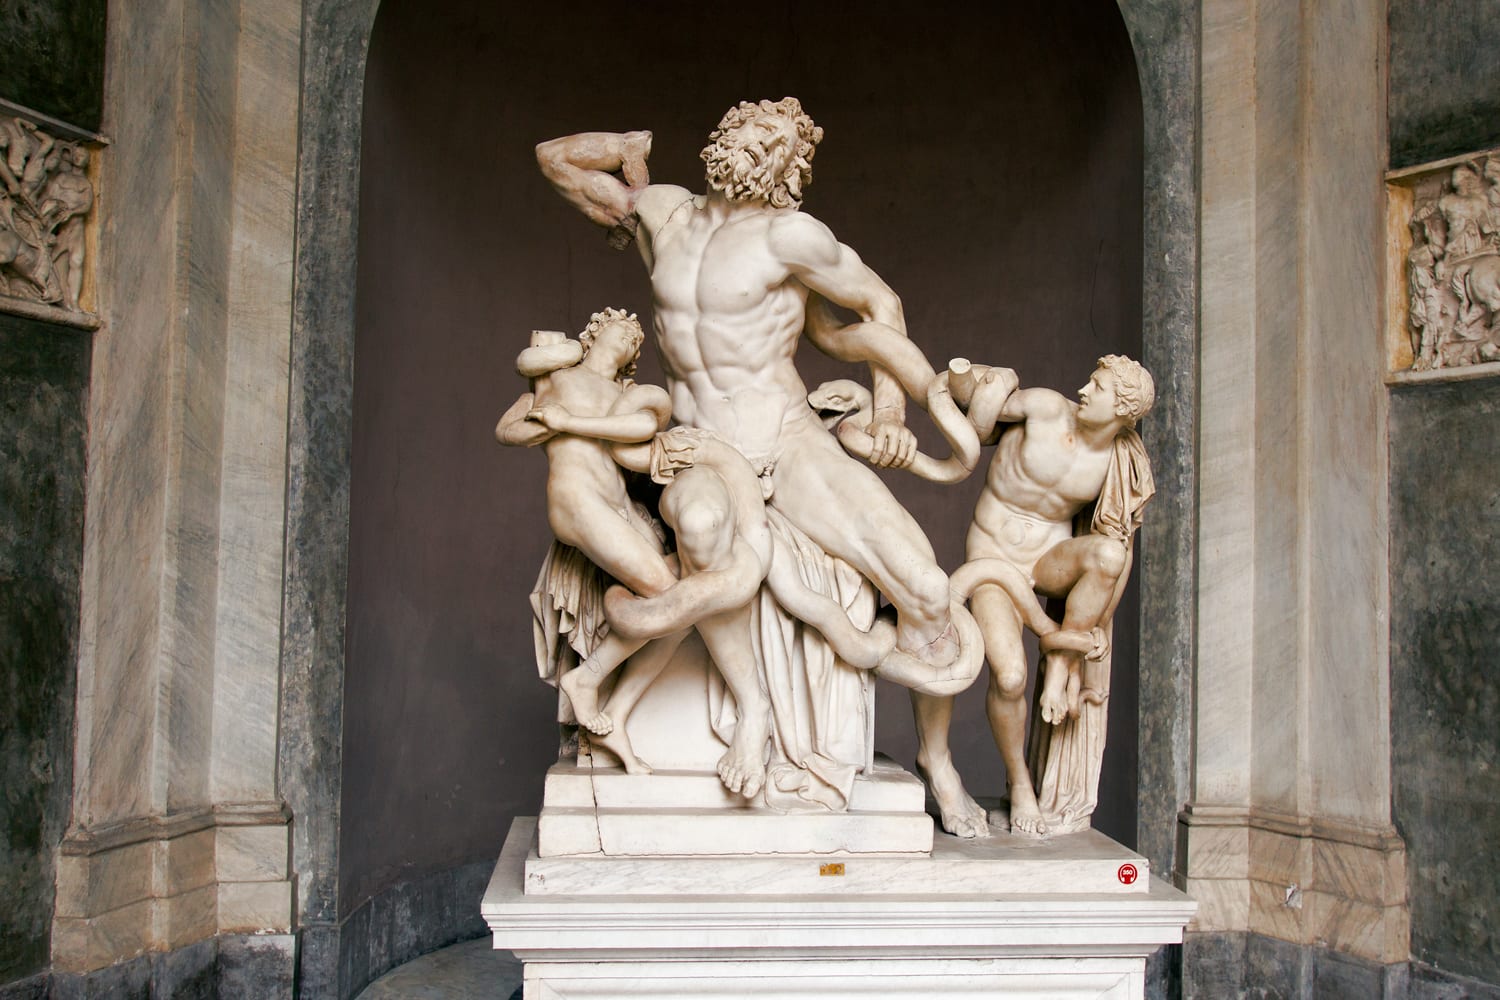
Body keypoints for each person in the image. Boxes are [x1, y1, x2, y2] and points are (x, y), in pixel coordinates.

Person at [536, 101, 982, 735]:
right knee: (699, 527)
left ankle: (932, 757)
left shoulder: (791, 236)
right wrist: (624, 144)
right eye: (746, 126)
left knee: (926, 589)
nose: (753, 142)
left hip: (788, 439)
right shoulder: (663, 212)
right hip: (701, 447)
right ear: (722, 133)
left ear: (788, 166)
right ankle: (752, 712)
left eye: (771, 139)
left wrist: (888, 411)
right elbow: (555, 161)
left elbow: (882, 302)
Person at [912, 356, 1155, 836]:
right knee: (1010, 676)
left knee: (1106, 555)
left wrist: (1092, 631)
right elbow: (971, 409)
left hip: (1049, 561)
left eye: (1098, 387)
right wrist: (980, 379)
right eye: (1090, 378)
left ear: (1123, 411)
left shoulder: (1118, 462)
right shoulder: (1044, 407)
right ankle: (1019, 781)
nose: (1084, 389)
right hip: (993, 558)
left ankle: (1060, 663)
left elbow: (1119, 550)